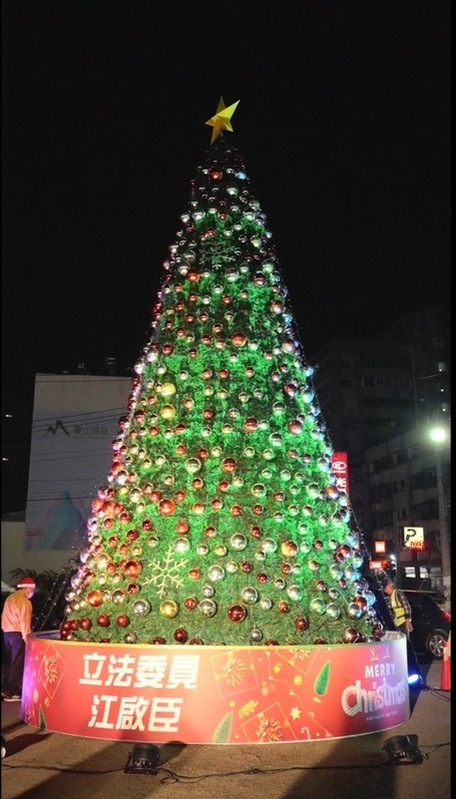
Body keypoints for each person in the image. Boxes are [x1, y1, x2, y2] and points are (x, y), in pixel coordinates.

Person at [1, 576, 36, 702]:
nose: (33, 592)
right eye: (32, 589)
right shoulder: (25, 602)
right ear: (27, 588)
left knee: (9, 662)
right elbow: (24, 622)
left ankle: (4, 689)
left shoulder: (10, 598)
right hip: (17, 634)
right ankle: (13, 692)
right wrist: (27, 639)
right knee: (17, 663)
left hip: (6, 633)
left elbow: (3, 616)